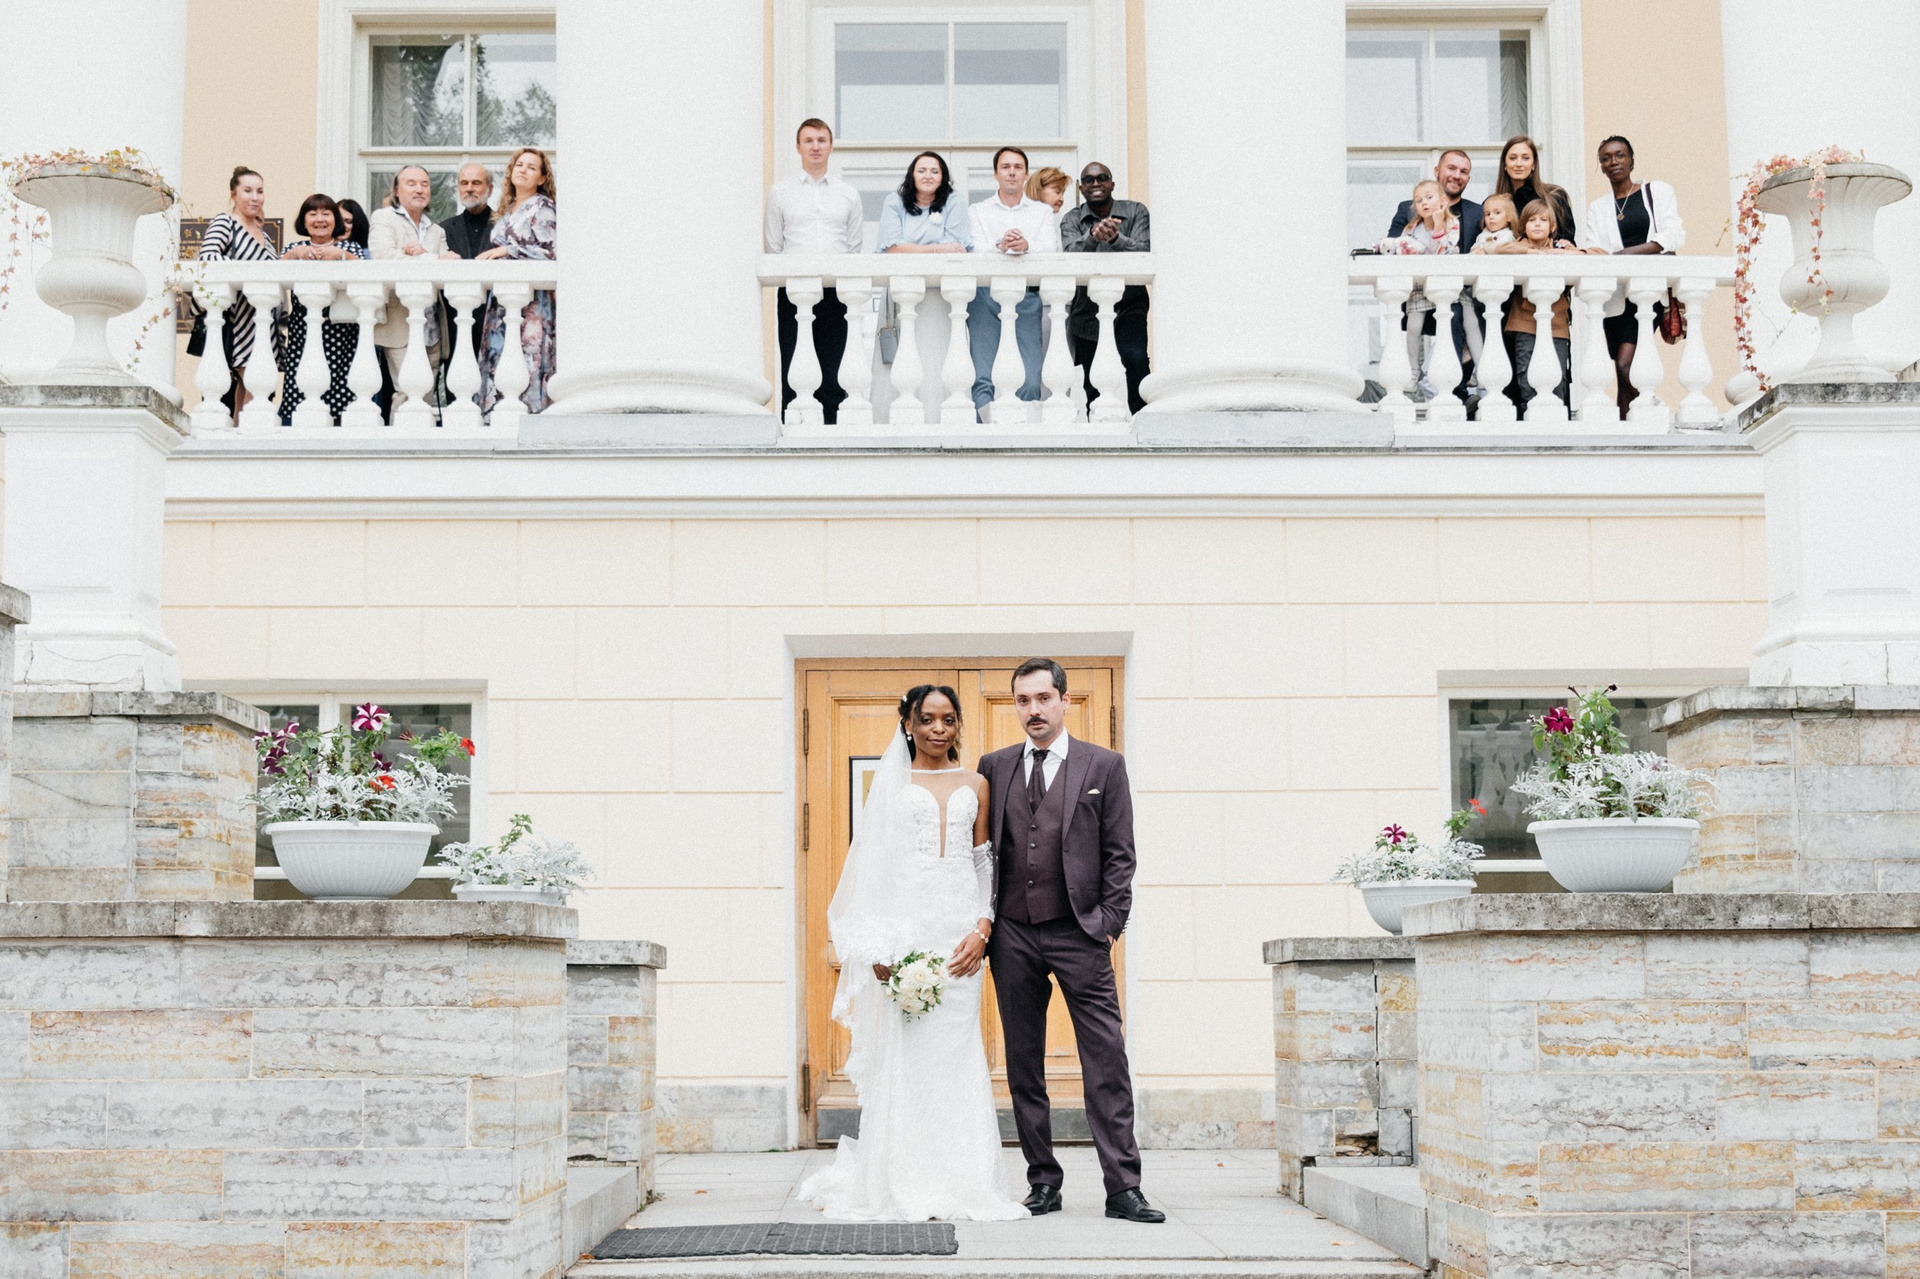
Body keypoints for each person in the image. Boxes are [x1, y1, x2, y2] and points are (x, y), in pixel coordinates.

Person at [798, 686, 1028, 1222]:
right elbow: (875, 866)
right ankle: (905, 1176)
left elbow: (983, 861)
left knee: (956, 1054)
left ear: (958, 724)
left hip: (960, 937)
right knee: (909, 1058)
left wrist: (983, 926)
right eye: (927, 719)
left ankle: (963, 1179)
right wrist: (880, 946)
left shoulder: (977, 784)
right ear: (909, 723)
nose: (938, 729)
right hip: (908, 934)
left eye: (948, 719)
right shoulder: (891, 786)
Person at [981, 660, 1162, 1225]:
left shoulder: (1103, 765)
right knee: (1023, 1063)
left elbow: (1120, 853)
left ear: (1064, 700)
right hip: (1012, 933)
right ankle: (1042, 1181)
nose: (1033, 710)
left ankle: (1123, 1187)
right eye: (1022, 701)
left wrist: (1107, 922)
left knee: (1105, 1057)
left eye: (1042, 698)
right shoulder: (994, 767)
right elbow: (982, 854)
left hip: (1079, 931)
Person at [765, 118, 863, 424]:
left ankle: (832, 429)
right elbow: (773, 246)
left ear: (831, 147)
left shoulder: (848, 194)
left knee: (834, 368)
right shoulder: (780, 193)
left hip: (836, 293)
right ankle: (795, 427)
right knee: (794, 365)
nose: (815, 147)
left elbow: (854, 247)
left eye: (821, 140)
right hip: (794, 293)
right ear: (798, 147)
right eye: (808, 141)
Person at [1578, 135, 1685, 415]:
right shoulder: (1599, 207)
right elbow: (1595, 248)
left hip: (1646, 292)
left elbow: (1674, 235)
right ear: (1601, 166)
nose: (1613, 161)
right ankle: (1627, 425)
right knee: (1620, 368)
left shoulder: (1657, 191)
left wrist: (1629, 253)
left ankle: (1650, 409)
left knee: (1626, 364)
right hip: (1614, 296)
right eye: (1606, 158)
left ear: (1632, 160)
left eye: (1620, 155)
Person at [967, 147, 1059, 417]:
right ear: (995, 174)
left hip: (1027, 297)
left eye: (1018, 167)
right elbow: (974, 249)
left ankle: (1023, 432)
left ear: (1026, 174)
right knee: (983, 376)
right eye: (1005, 167)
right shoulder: (978, 210)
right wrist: (1001, 245)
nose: (1011, 172)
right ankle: (983, 433)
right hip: (984, 297)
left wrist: (1026, 245)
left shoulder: (1041, 212)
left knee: (1030, 378)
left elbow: (1050, 248)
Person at [368, 165, 459, 421]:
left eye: (424, 184)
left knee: (426, 394)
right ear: (397, 190)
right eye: (411, 183)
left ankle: (421, 441)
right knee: (407, 391)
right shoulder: (384, 218)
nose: (419, 189)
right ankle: (399, 443)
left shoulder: (436, 230)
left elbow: (447, 268)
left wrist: (422, 255)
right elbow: (383, 257)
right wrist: (432, 258)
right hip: (400, 320)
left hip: (432, 323)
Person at [1060, 162, 1150, 414]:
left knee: (1136, 360)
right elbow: (1069, 257)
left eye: (1102, 178)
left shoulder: (1136, 211)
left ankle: (1142, 418)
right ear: (1081, 188)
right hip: (1086, 311)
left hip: (1130, 303)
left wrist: (1116, 239)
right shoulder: (1071, 219)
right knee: (1092, 379)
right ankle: (1099, 422)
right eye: (1088, 180)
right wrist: (1092, 236)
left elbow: (1144, 252)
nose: (1096, 183)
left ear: (1112, 184)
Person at [194, 165, 278, 423]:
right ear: (233, 194)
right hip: (238, 318)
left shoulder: (265, 235)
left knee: (252, 385)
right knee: (251, 379)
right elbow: (208, 257)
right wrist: (243, 273)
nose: (255, 197)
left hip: (263, 319)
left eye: (260, 191)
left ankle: (241, 429)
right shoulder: (226, 222)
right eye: (248, 191)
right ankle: (247, 432)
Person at [478, 148, 557, 415]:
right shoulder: (507, 209)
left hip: (531, 304)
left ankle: (530, 415)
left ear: (542, 178)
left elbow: (550, 252)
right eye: (519, 165)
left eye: (531, 167)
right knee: (500, 358)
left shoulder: (543, 207)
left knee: (527, 359)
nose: (522, 170)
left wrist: (508, 250)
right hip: (502, 302)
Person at [276, 193, 367, 425]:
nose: (320, 219)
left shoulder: (349, 247)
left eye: (326, 213)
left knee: (342, 399)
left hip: (342, 332)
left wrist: (341, 255)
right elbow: (273, 275)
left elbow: (367, 273)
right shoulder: (294, 248)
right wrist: (294, 255)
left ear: (335, 219)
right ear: (304, 221)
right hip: (303, 331)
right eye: (313, 213)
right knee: (302, 394)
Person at [1497, 199, 1581, 413]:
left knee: (1558, 375)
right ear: (1523, 226)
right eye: (1531, 220)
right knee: (1526, 375)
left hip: (1557, 324)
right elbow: (1500, 249)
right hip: (1523, 323)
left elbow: (1597, 255)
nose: (1537, 224)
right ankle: (1531, 414)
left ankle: (1555, 419)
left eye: (1543, 220)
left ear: (1552, 227)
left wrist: (1568, 253)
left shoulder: (1559, 247)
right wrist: (1530, 252)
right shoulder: (1518, 246)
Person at [1493, 135, 1577, 247]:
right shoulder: (1493, 204)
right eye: (1513, 158)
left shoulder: (1555, 197)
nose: (1519, 164)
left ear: (1534, 164)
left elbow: (1567, 243)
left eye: (1525, 158)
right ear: (1504, 164)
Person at [440, 163, 495, 259]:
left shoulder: (505, 226)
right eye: (464, 183)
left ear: (489, 190)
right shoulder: (444, 229)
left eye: (476, 183)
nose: (469, 189)